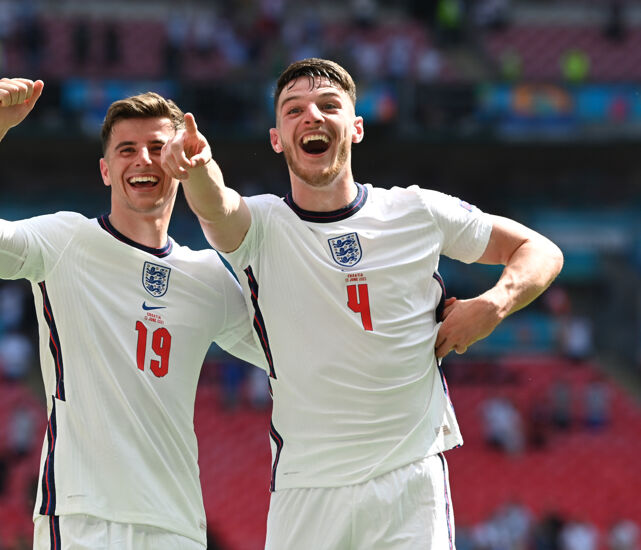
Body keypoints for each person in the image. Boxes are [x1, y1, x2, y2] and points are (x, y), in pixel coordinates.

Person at [161, 58, 564, 549]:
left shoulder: (417, 210)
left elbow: (541, 250)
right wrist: (199, 169)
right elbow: (216, 206)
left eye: (329, 105)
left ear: (356, 128)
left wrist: (494, 304)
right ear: (276, 137)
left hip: (409, 482)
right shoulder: (260, 226)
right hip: (306, 489)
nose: (312, 116)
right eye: (293, 110)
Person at [0, 78, 264, 549]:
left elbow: (286, 356)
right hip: (83, 517)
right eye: (126, 150)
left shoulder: (209, 275)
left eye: (156, 147)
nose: (142, 160)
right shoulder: (65, 242)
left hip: (178, 524)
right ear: (106, 170)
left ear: (181, 161)